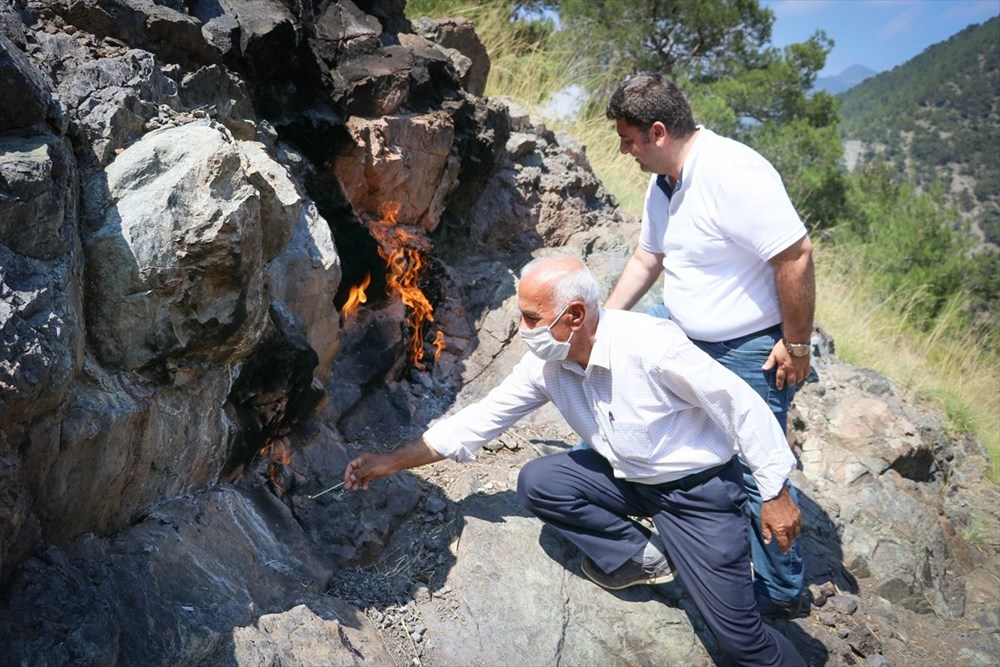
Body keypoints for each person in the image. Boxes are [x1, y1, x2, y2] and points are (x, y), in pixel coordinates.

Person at [344, 255, 806, 666]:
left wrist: (775, 492)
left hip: (697, 492)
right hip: (626, 477)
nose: (522, 330)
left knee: (742, 644)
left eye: (531, 318)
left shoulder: (650, 346)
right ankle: (643, 556)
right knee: (542, 481)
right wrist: (387, 462)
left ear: (576, 315)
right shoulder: (547, 365)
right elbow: (477, 421)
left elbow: (741, 405)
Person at [603, 73, 815, 616]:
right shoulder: (665, 181)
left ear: (657, 131)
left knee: (757, 469)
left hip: (749, 346)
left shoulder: (734, 173)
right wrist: (605, 323)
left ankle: (779, 596)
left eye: (628, 140)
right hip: (687, 334)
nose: (624, 151)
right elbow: (650, 258)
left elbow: (795, 256)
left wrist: (795, 344)